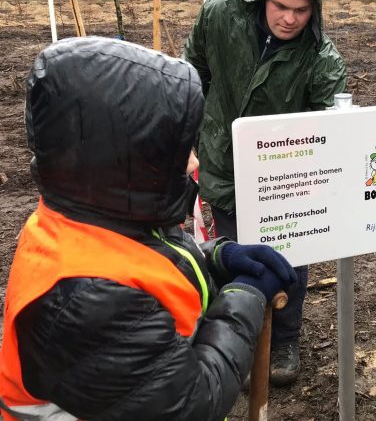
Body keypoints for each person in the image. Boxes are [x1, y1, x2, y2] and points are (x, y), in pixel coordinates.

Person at [0, 37, 297, 421]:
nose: (193, 164)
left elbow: (152, 265)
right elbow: (193, 404)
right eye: (174, 151)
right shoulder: (84, 300)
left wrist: (218, 257)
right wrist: (247, 296)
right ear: (123, 161)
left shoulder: (93, 212)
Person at [184, 0, 347, 386]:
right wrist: (187, 136)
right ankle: (234, 343)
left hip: (287, 184)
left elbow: (331, 130)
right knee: (234, 257)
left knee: (289, 261)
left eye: (301, 10)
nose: (290, 18)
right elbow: (191, 69)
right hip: (223, 165)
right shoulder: (220, 15)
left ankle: (286, 339)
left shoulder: (321, 59)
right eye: (281, 6)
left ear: (315, 9)